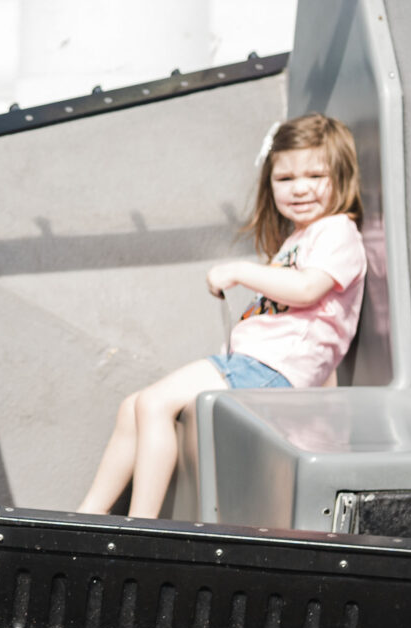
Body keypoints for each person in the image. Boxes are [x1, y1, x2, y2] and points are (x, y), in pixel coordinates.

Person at [76, 112, 367, 518]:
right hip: (257, 364)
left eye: (315, 176)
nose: (299, 188)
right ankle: (87, 513)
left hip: (270, 368)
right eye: (285, 179)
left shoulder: (337, 230)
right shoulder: (301, 238)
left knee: (154, 404)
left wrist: (240, 270)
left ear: (342, 177)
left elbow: (306, 291)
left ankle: (139, 525)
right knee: (133, 405)